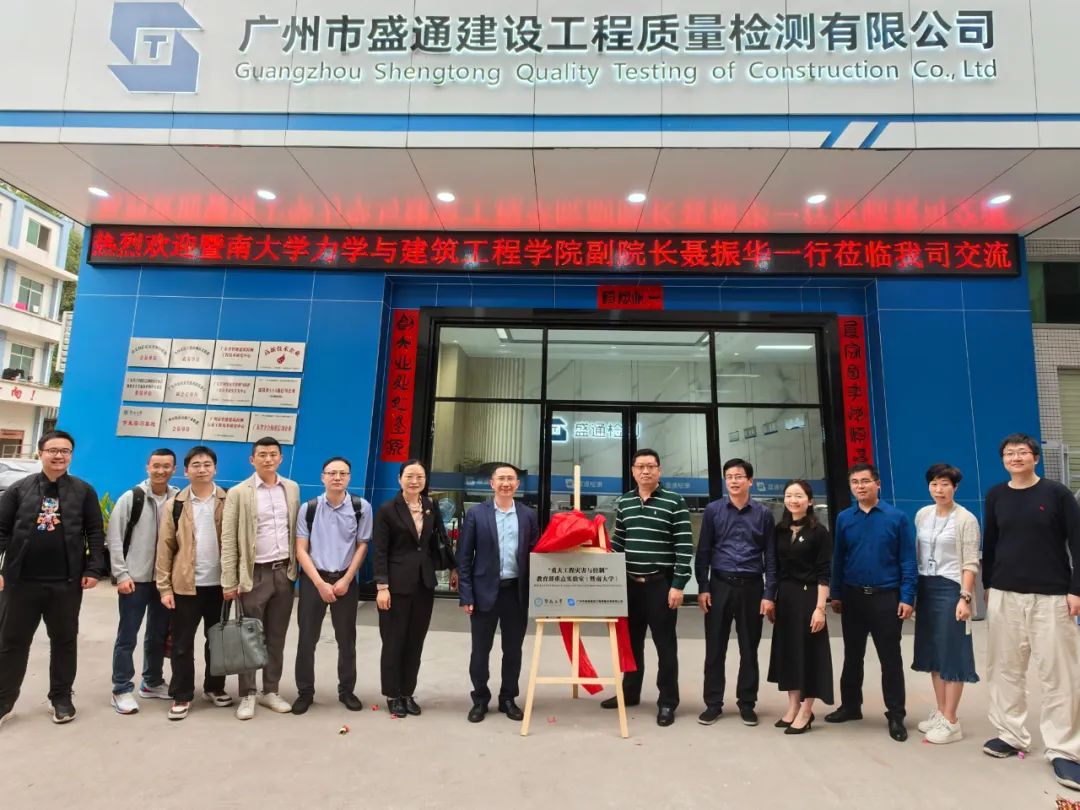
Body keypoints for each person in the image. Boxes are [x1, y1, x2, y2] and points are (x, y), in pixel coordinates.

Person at [981, 433, 1080, 791]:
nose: (1016, 457)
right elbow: (990, 543)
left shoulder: (1057, 494)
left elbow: (1078, 543)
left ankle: (1064, 750)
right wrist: (988, 585)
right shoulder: (996, 495)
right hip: (1004, 594)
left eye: (1022, 452)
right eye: (1009, 453)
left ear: (1035, 458)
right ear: (1003, 460)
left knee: (1059, 674)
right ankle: (1011, 734)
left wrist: (1076, 589)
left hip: (1051, 596)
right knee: (1005, 669)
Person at [0, 430, 106, 727]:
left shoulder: (83, 491)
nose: (59, 455)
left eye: (65, 451)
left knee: (64, 641)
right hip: (20, 582)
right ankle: (4, 700)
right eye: (53, 450)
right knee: (12, 642)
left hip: (65, 583)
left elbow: (95, 532)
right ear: (40, 453)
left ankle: (60, 697)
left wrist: (93, 569)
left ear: (71, 455)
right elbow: (1, 530)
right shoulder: (19, 489)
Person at [602, 449, 693, 727]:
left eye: (650, 466)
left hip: (660, 585)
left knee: (665, 645)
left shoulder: (675, 502)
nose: (645, 471)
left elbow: (684, 547)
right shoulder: (625, 502)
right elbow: (618, 542)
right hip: (630, 585)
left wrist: (678, 585)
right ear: (632, 471)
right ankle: (630, 692)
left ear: (659, 470)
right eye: (640, 466)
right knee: (630, 643)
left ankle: (667, 701)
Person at [827, 462, 917, 742]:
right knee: (852, 656)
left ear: (878, 484)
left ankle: (896, 715)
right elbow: (838, 558)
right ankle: (851, 706)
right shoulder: (844, 518)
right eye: (855, 483)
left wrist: (907, 597)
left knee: (890, 659)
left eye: (865, 481)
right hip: (852, 597)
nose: (860, 487)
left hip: (886, 597)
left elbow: (907, 560)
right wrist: (836, 593)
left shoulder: (896, 518)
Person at [221, 436, 301, 721]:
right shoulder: (239, 493)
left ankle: (271, 690)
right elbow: (229, 538)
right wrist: (230, 581)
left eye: (273, 454)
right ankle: (248, 694)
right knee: (249, 637)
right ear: (252, 460)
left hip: (284, 573)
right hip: (253, 575)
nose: (268, 459)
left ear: (281, 458)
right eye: (262, 455)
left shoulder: (291, 488)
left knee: (276, 637)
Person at [696, 458, 777, 728]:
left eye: (739, 476)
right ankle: (713, 703)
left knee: (749, 648)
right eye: (729, 476)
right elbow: (704, 551)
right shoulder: (713, 511)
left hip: (752, 587)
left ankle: (747, 703)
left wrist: (769, 593)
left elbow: (771, 556)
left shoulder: (764, 514)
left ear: (750, 481)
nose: (734, 480)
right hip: (719, 586)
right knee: (715, 648)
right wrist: (703, 587)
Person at [457, 463, 539, 723]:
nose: (506, 483)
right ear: (491, 483)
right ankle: (480, 699)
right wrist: (466, 595)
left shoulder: (528, 515)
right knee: (480, 651)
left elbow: (536, 553)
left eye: (510, 479)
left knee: (513, 650)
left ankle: (508, 698)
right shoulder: (476, 514)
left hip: (516, 593)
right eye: (501, 478)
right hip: (483, 593)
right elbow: (464, 557)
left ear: (517, 484)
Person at [155, 445, 232, 721]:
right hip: (185, 586)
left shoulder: (228, 500)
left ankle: (214, 687)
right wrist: (164, 587)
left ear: (215, 469)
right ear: (186, 471)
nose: (202, 469)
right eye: (196, 465)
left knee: (217, 642)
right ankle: (182, 694)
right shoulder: (175, 504)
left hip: (220, 586)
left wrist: (235, 582)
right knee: (182, 643)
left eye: (207, 464)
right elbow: (165, 547)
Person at [291, 456, 372, 716]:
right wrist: (319, 583)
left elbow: (362, 545)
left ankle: (346, 690)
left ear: (349, 477)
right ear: (322, 477)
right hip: (313, 579)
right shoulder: (309, 508)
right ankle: (305, 692)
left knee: (346, 639)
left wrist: (346, 580)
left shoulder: (361, 507)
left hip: (345, 579)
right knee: (306, 639)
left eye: (343, 473)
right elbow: (301, 549)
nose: (337, 477)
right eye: (332, 473)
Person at [106, 448, 179, 714]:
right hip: (134, 580)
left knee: (157, 635)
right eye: (156, 465)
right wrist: (121, 574)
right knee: (127, 636)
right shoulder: (132, 497)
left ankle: (152, 682)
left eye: (166, 466)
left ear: (174, 469)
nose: (161, 470)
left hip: (163, 582)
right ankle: (121, 688)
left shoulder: (177, 498)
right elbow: (114, 537)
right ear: (147, 467)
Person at [911, 463, 980, 744]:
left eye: (945, 484)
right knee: (934, 654)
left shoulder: (965, 519)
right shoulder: (923, 515)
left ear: (955, 487)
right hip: (926, 588)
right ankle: (941, 712)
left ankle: (951, 721)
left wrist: (965, 597)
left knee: (952, 653)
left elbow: (971, 562)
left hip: (952, 589)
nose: (939, 490)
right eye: (934, 484)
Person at [372, 460, 446, 719]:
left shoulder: (430, 505)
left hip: (423, 584)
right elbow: (380, 550)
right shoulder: (387, 509)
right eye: (410, 476)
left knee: (415, 641)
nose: (415, 481)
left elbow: (436, 542)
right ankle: (392, 694)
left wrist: (451, 568)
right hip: (395, 585)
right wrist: (382, 586)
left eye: (420, 477)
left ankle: (407, 692)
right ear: (399, 479)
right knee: (394, 641)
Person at [766, 479, 833, 734]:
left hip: (809, 598)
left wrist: (820, 608)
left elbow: (824, 573)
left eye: (799, 496)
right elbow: (773, 567)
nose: (793, 500)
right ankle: (793, 706)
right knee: (789, 653)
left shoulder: (819, 532)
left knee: (809, 653)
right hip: (786, 598)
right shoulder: (779, 530)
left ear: (810, 501)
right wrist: (771, 598)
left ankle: (807, 710)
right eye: (789, 495)